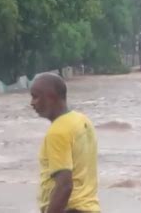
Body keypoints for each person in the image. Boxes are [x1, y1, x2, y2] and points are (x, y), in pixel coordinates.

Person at [30, 72, 100, 213]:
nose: (32, 103)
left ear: (51, 97)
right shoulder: (83, 121)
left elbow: (64, 186)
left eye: (35, 96)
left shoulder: (57, 132)